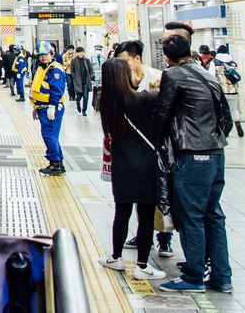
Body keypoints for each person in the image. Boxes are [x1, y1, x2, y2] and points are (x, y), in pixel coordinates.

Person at [152, 33, 232, 294]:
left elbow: (162, 112)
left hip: (192, 153)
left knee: (190, 216)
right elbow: (226, 119)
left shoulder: (172, 75)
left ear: (166, 55)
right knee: (213, 214)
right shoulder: (208, 75)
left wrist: (156, 142)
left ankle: (194, 276)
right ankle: (221, 275)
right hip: (216, 153)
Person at [96, 58, 165, 280]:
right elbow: (162, 92)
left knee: (122, 213)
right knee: (144, 218)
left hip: (122, 167)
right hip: (146, 166)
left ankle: (116, 257)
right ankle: (142, 266)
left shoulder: (105, 102)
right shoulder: (145, 99)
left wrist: (133, 83)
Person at [30, 40, 67, 175]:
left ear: (52, 54)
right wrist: (35, 106)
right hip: (43, 107)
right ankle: (59, 162)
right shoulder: (42, 67)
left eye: (45, 54)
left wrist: (52, 105)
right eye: (40, 55)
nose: (42, 57)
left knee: (48, 135)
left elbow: (57, 89)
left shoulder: (55, 69)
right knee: (52, 136)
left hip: (51, 108)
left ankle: (55, 163)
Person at [212, 45, 244, 137]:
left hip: (222, 91)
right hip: (233, 90)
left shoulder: (215, 62)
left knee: (223, 111)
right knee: (234, 110)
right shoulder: (233, 62)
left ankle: (225, 129)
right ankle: (238, 126)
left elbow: (212, 76)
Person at [70, 46, 94, 116]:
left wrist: (90, 77)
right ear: (76, 53)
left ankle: (84, 110)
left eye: (82, 52)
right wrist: (75, 78)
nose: (80, 54)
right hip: (78, 81)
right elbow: (72, 71)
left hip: (86, 81)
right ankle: (78, 104)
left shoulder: (87, 60)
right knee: (79, 96)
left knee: (86, 96)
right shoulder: (74, 61)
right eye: (79, 52)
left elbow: (90, 70)